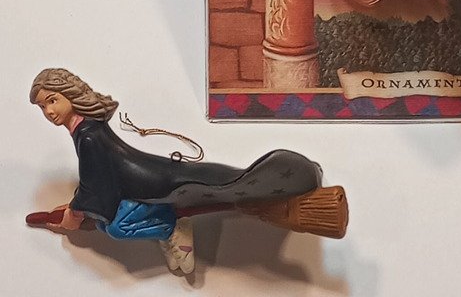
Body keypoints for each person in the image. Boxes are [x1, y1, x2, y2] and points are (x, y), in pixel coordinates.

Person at [30, 68, 323, 275]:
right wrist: (81, 206)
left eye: (52, 100)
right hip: (135, 183)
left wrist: (75, 213)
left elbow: (95, 185)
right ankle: (168, 224)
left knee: (117, 228)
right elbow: (98, 178)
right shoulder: (86, 131)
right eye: (43, 106)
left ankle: (171, 227)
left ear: (71, 95)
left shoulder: (89, 135)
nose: (49, 112)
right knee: (106, 225)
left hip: (149, 185)